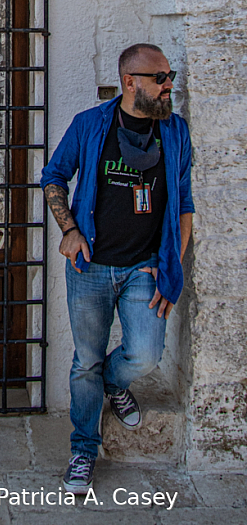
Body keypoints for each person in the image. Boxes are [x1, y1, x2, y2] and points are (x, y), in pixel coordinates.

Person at [41, 43, 194, 494]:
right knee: (84, 361)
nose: (169, 86)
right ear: (132, 83)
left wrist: (172, 268)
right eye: (160, 78)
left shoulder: (175, 132)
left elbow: (183, 205)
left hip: (144, 268)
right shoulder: (91, 125)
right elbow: (54, 176)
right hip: (89, 269)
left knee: (145, 353)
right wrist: (68, 229)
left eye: (170, 77)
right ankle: (84, 450)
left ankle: (115, 381)